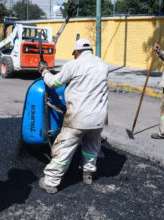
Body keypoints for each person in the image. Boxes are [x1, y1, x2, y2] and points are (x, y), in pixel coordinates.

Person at [37, 39, 108, 194]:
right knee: (91, 147)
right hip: (99, 117)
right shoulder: (103, 65)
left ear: (77, 52)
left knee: (63, 149)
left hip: (79, 117)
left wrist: (44, 71)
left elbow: (54, 82)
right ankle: (88, 175)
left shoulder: (73, 65)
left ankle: (50, 182)